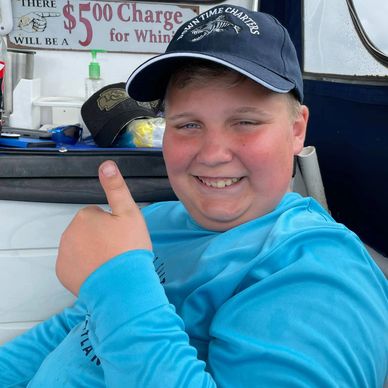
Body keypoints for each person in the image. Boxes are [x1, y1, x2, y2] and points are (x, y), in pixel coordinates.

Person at [0, 4, 387, 387]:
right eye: (187, 124)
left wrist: (118, 282)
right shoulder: (154, 223)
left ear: (297, 129)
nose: (213, 153)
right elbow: (73, 331)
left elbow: (113, 299)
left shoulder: (319, 275)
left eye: (246, 122)